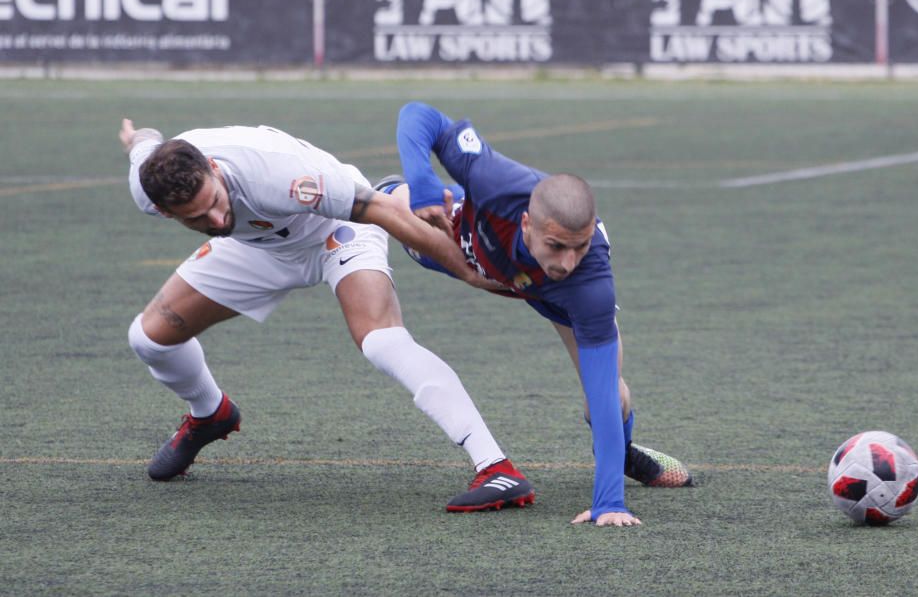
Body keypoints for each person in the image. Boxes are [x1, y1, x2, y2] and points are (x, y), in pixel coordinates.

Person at [119, 118, 535, 513]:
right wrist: (140, 136)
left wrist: (468, 273)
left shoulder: (283, 177)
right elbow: (145, 147)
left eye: (214, 201)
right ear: (166, 211)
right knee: (150, 338)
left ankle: (496, 467)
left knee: (381, 340)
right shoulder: (151, 190)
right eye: (196, 218)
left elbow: (386, 212)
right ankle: (210, 414)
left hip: (335, 229)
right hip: (257, 248)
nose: (215, 219)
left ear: (213, 167)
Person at [377, 102, 692, 527]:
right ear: (526, 224)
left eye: (579, 247)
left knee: (610, 398)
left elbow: (598, 391)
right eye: (556, 246)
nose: (567, 260)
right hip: (468, 248)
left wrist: (609, 504)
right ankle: (391, 191)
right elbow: (419, 115)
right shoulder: (495, 181)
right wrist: (424, 183)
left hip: (559, 300)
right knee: (392, 207)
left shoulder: (587, 282)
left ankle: (625, 456)